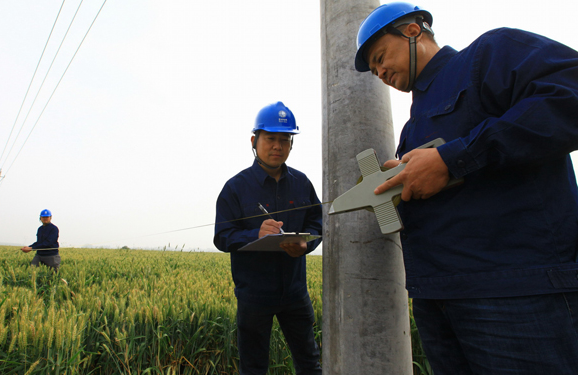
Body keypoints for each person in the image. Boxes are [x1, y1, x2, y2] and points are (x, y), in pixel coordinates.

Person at [353, 2, 578, 374]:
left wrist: (453, 159)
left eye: (380, 57)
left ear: (412, 31)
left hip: (516, 299)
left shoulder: (489, 55)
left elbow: (570, 96)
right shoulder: (411, 130)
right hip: (436, 300)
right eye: (374, 69)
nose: (379, 72)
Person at [214, 102, 323, 375]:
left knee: (310, 363)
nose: (277, 146)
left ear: (291, 145)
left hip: (296, 294)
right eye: (270, 138)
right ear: (254, 140)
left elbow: (318, 222)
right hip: (253, 296)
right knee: (253, 368)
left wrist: (306, 245)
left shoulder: (302, 183)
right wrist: (255, 234)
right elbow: (222, 236)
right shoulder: (235, 188)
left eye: (284, 140)